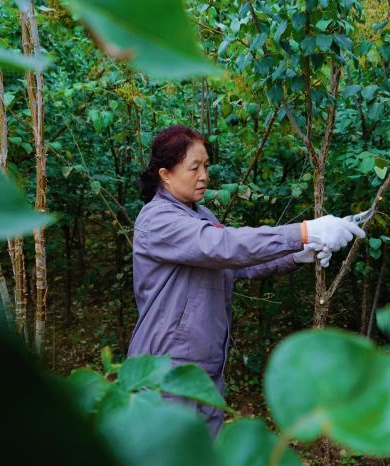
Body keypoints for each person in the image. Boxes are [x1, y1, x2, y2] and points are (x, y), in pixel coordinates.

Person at [128, 125, 364, 437]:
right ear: (166, 174)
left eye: (206, 166)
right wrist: (304, 231)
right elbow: (225, 246)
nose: (204, 176)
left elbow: (234, 265)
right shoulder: (157, 220)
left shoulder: (200, 214)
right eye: (193, 167)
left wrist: (298, 254)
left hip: (207, 367)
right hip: (167, 371)